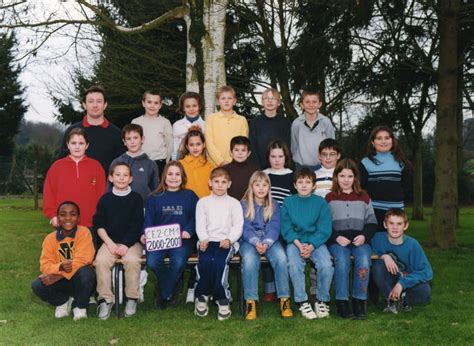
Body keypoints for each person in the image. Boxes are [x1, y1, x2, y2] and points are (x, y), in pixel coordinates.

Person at [325, 159, 377, 319]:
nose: (346, 180)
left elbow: (372, 222)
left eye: (350, 176)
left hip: (359, 240)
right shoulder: (329, 198)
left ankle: (359, 300)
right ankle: (342, 301)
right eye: (342, 176)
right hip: (337, 241)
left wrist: (364, 236)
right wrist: (336, 237)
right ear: (336, 177)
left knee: (363, 260)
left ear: (355, 178)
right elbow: (324, 224)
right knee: (342, 259)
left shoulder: (364, 196)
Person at [143, 161, 199, 309]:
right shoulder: (154, 197)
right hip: (159, 239)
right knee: (153, 262)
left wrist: (189, 230)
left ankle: (164, 292)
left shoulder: (190, 196)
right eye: (170, 174)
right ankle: (171, 285)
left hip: (182, 240)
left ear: (183, 177)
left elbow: (196, 217)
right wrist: (145, 234)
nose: (174, 177)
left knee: (179, 262)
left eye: (177, 174)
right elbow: (148, 220)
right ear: (164, 176)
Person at [93, 162, 144, 320]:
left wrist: (125, 244)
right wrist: (109, 243)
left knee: (133, 260)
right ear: (111, 178)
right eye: (118, 175)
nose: (121, 178)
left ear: (130, 179)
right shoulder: (105, 199)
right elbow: (99, 225)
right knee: (100, 261)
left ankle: (132, 298)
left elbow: (137, 225)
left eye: (125, 175)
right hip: (109, 242)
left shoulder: (136, 199)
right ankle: (106, 300)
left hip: (131, 242)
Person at [281, 167, 333, 319]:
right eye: (300, 182)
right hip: (295, 242)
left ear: (314, 185)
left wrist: (311, 246)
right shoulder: (288, 202)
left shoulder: (321, 203)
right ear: (295, 185)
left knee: (326, 265)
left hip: (316, 242)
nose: (304, 185)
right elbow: (287, 228)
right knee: (294, 264)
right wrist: (299, 245)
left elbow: (324, 229)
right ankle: (302, 300)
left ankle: (322, 300)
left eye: (308, 182)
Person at [240, 171, 293, 320]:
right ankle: (250, 301)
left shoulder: (274, 204)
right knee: (250, 261)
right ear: (251, 186)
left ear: (269, 187)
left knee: (281, 258)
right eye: (257, 185)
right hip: (249, 241)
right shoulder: (243, 204)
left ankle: (284, 299)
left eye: (264, 184)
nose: (261, 188)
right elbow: (245, 227)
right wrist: (256, 242)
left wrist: (267, 242)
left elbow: (275, 226)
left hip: (270, 241)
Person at [32, 201, 96, 321]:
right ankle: (62, 302)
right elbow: (44, 265)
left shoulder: (84, 232)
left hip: (81, 280)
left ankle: (80, 306)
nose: (68, 218)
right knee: (37, 284)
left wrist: (59, 275)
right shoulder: (50, 239)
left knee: (86, 272)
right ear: (58, 218)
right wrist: (60, 268)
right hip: (62, 281)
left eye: (73, 214)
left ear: (78, 218)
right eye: (63, 214)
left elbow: (84, 258)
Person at [194, 167, 244, 321]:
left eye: (224, 182)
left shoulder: (234, 203)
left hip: (227, 242)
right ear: (210, 183)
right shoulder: (203, 202)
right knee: (205, 263)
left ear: (229, 184)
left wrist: (229, 239)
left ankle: (223, 299)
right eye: (216, 182)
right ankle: (202, 296)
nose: (220, 185)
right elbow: (200, 225)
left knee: (220, 265)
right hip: (208, 240)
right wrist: (203, 240)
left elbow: (238, 226)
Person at [371, 209, 432, 313]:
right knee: (378, 265)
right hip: (388, 280)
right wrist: (384, 256)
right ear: (385, 224)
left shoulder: (413, 245)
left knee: (425, 291)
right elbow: (365, 252)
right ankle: (392, 301)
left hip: (406, 281)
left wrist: (402, 284)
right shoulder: (377, 239)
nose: (395, 227)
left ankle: (401, 300)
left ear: (406, 226)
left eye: (399, 224)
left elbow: (427, 272)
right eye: (391, 223)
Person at [44, 128, 106, 229]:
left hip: (90, 223)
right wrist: (53, 215)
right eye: (73, 143)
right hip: (64, 222)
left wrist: (100, 216)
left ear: (87, 145)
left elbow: (102, 194)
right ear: (68, 145)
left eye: (81, 143)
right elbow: (49, 193)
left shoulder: (96, 166)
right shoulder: (57, 166)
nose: (77, 146)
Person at [59, 85, 125, 176]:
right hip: (77, 186)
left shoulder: (116, 134)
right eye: (90, 101)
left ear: (105, 105)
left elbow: (122, 166)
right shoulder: (72, 132)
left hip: (107, 187)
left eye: (99, 101)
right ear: (84, 105)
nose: (95, 105)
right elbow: (62, 163)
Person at [360, 125, 412, 231]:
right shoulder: (365, 163)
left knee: (395, 242)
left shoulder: (402, 162)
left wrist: (397, 197)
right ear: (372, 142)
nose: (383, 141)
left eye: (387, 138)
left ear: (392, 141)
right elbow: (361, 188)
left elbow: (407, 186)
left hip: (396, 212)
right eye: (379, 138)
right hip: (373, 211)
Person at [261, 139, 295, 302]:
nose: (276, 160)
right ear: (268, 157)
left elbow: (294, 201)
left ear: (285, 157)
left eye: (280, 156)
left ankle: (283, 287)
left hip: (285, 222)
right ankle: (269, 289)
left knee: (282, 255)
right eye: (273, 156)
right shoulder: (264, 174)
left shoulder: (291, 175)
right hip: (266, 221)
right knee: (267, 254)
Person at [309, 138, 341, 302]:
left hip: (338, 222)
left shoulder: (342, 175)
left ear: (338, 156)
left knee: (335, 256)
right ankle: (315, 289)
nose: (328, 158)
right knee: (318, 256)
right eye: (324, 155)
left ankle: (336, 288)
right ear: (319, 157)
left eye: (332, 154)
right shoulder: (314, 175)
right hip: (318, 225)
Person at [110, 124, 159, 202]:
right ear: (124, 142)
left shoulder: (151, 164)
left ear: (142, 139)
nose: (132, 142)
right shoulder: (116, 162)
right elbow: (109, 188)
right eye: (128, 139)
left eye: (135, 138)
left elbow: (156, 190)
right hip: (120, 206)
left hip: (144, 207)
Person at [291, 88, 335, 170]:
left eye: (314, 102)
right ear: (302, 105)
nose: (311, 105)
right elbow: (294, 146)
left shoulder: (325, 122)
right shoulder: (297, 123)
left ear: (320, 104)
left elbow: (331, 145)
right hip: (301, 166)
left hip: (322, 166)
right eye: (307, 102)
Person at [131, 90, 173, 178]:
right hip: (140, 161)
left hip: (160, 162)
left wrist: (167, 163)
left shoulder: (165, 122)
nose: (152, 106)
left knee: (159, 190)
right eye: (149, 102)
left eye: (156, 103)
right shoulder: (136, 122)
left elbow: (170, 145)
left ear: (160, 105)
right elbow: (132, 143)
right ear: (143, 103)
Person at [204, 85, 249, 167]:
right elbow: (209, 143)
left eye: (229, 98)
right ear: (217, 101)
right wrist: (221, 161)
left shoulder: (241, 120)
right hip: (214, 165)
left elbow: (243, 144)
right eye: (223, 98)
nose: (226, 101)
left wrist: (234, 162)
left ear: (234, 101)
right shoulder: (211, 119)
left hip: (236, 165)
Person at [249, 88, 291, 169]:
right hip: (260, 168)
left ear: (279, 102)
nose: (269, 101)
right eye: (266, 98)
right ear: (262, 102)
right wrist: (257, 168)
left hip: (281, 168)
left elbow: (288, 147)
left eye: (273, 98)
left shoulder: (285, 123)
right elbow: (252, 147)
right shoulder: (255, 122)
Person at [179, 128, 215, 198]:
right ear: (187, 146)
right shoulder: (180, 165)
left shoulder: (210, 166)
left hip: (205, 205)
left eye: (198, 144)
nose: (195, 148)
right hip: (187, 204)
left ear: (204, 145)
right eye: (191, 145)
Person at [222, 136, 258, 200]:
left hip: (249, 205)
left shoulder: (255, 171)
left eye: (243, 150)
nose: (240, 153)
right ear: (231, 152)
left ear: (249, 153)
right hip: (229, 206)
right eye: (236, 150)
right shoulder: (224, 170)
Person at [172, 92, 206, 160]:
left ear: (199, 106)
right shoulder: (177, 125)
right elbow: (175, 147)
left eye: (194, 106)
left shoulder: (206, 125)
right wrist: (175, 162)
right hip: (182, 161)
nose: (191, 109)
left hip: (202, 161)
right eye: (188, 106)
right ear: (183, 108)